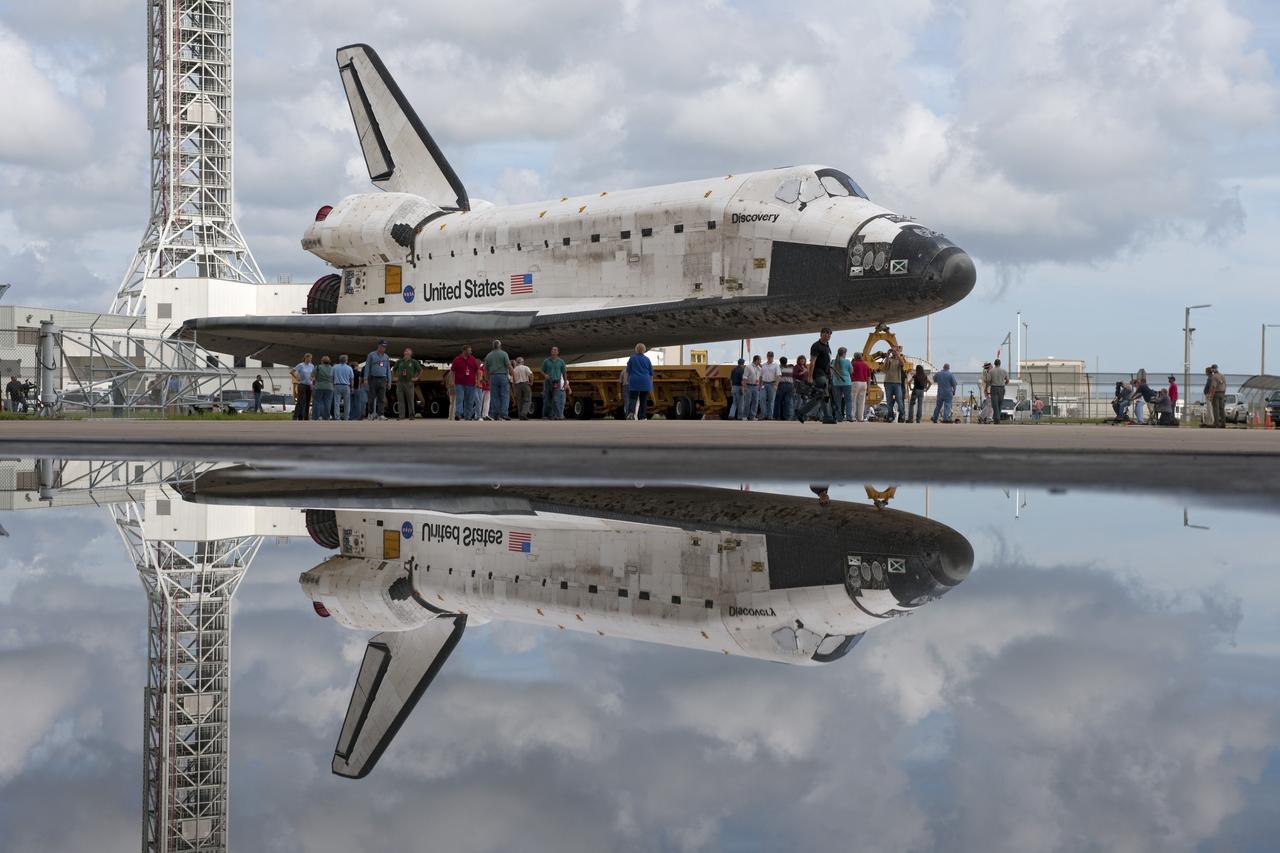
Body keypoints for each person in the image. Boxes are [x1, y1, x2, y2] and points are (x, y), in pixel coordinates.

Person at [808, 328, 836, 424]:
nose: (827, 336)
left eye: (829, 334)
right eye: (826, 333)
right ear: (821, 334)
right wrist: (810, 376)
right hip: (818, 374)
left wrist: (829, 375)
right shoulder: (816, 346)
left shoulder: (827, 346)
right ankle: (827, 417)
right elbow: (812, 362)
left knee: (821, 396)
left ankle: (801, 412)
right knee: (824, 394)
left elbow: (827, 362)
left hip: (825, 374)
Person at [484, 340, 512, 420]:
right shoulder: (504, 354)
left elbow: (485, 369)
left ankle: (494, 414)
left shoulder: (489, 355)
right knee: (505, 396)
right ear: (500, 345)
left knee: (494, 396)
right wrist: (513, 374)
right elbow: (508, 365)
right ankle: (504, 414)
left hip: (493, 377)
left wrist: (487, 378)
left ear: (493, 346)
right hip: (503, 376)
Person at [392, 348, 423, 419]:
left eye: (408, 351)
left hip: (409, 383)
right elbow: (394, 369)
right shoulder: (399, 361)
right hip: (400, 383)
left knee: (410, 399)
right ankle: (401, 416)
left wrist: (416, 378)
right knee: (400, 399)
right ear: (404, 353)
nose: (406, 352)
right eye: (405, 351)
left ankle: (411, 415)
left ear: (411, 354)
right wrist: (394, 377)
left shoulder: (413, 362)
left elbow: (420, 370)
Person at [450, 345, 480, 420]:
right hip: (459, 383)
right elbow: (452, 371)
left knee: (469, 400)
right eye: (469, 350)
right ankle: (458, 414)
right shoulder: (457, 359)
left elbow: (477, 371)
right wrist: (452, 381)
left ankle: (468, 416)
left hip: (471, 383)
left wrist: (478, 381)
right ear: (464, 351)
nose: (471, 352)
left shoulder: (472, 359)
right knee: (460, 399)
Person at [625, 343, 654, 420]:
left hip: (634, 381)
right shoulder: (647, 359)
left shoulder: (632, 358)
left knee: (632, 398)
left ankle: (631, 414)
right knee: (643, 400)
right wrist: (650, 383)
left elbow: (628, 371)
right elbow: (651, 373)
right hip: (645, 381)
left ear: (636, 349)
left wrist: (627, 381)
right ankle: (643, 416)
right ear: (644, 350)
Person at [364, 341, 391, 420]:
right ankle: (370, 413)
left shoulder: (386, 357)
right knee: (371, 397)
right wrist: (365, 378)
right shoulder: (371, 355)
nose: (384, 348)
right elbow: (367, 367)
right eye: (382, 346)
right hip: (373, 378)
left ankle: (381, 414)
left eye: (385, 347)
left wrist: (389, 381)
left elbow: (388, 369)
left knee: (382, 398)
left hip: (383, 379)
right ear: (379, 346)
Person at [541, 346, 567, 420]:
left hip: (557, 382)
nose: (554, 351)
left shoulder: (561, 361)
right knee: (547, 399)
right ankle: (547, 415)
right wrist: (545, 375)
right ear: (551, 352)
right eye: (553, 350)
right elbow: (542, 370)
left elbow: (564, 372)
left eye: (555, 350)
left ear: (558, 352)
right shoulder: (546, 361)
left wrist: (565, 382)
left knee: (556, 399)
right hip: (548, 382)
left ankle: (558, 415)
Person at [882, 346, 907, 423]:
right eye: (892, 351)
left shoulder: (899, 360)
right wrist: (887, 355)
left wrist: (898, 355)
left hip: (897, 383)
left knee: (899, 400)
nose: (893, 352)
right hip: (888, 382)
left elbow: (902, 364)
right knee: (889, 401)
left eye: (895, 350)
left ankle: (902, 415)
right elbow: (885, 367)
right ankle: (890, 416)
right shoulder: (889, 359)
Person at [291, 354, 315, 421]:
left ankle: (306, 417)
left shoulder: (312, 366)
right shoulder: (301, 365)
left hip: (309, 385)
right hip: (302, 384)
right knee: (300, 401)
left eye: (311, 358)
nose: (310, 359)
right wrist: (297, 377)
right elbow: (292, 371)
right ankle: (295, 417)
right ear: (305, 358)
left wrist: (312, 382)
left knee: (308, 402)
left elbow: (313, 375)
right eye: (309, 358)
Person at [831, 347, 853, 422]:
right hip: (846, 382)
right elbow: (851, 371)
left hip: (836, 382)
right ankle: (849, 416)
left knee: (838, 400)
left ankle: (839, 417)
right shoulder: (847, 361)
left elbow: (831, 372)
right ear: (844, 353)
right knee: (848, 400)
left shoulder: (833, 361)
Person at [312, 356, 336, 420]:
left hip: (319, 386)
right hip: (329, 387)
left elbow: (312, 377)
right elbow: (334, 378)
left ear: (321, 361)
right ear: (329, 361)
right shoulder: (332, 368)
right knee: (328, 402)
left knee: (318, 402)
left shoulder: (317, 367)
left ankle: (317, 417)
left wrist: (313, 385)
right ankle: (326, 417)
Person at [759, 351, 781, 420]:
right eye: (768, 356)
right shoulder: (764, 365)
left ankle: (770, 416)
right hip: (764, 384)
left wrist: (776, 385)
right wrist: (760, 385)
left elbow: (778, 376)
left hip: (772, 384)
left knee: (771, 401)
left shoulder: (776, 365)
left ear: (773, 357)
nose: (769, 357)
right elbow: (761, 376)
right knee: (762, 399)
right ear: (767, 356)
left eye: (771, 356)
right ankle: (764, 415)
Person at [850, 352, 871, 422]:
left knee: (853, 400)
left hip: (855, 382)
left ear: (855, 357)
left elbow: (850, 372)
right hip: (864, 383)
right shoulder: (866, 365)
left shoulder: (854, 364)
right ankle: (860, 417)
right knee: (861, 401)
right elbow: (869, 377)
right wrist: (868, 387)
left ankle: (852, 416)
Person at [741, 355, 763, 421]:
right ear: (756, 360)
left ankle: (752, 416)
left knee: (755, 402)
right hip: (749, 386)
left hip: (756, 386)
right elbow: (745, 377)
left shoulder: (759, 368)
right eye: (760, 360)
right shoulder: (748, 367)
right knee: (747, 402)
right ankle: (745, 416)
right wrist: (744, 387)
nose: (760, 361)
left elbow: (760, 377)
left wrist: (760, 386)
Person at [333, 355, 354, 420]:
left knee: (336, 402)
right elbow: (351, 378)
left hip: (337, 385)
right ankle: (346, 417)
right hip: (346, 386)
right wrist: (352, 387)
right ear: (346, 360)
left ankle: (337, 417)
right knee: (347, 403)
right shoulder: (349, 368)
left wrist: (332, 384)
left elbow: (331, 377)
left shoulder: (335, 367)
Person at [987, 358, 1008, 424]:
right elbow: (1007, 380)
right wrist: (1004, 384)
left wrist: (990, 385)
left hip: (994, 388)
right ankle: (996, 419)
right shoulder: (1004, 371)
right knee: (1000, 404)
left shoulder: (991, 371)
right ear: (1000, 363)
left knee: (995, 404)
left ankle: (997, 418)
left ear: (994, 363)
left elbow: (988, 380)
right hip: (1002, 388)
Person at [776, 357, 794, 421]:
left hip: (781, 385)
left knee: (778, 401)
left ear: (780, 361)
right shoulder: (791, 369)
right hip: (790, 385)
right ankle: (788, 416)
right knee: (788, 402)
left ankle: (778, 416)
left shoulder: (779, 369)